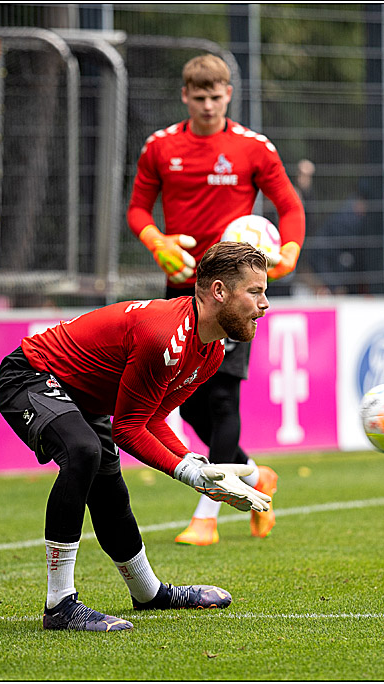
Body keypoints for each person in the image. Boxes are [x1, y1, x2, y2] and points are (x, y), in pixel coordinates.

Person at [0, 243, 274, 632]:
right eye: (255, 291)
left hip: (81, 398)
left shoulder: (209, 353)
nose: (265, 304)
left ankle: (149, 592)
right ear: (219, 292)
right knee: (83, 451)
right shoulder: (165, 335)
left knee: (109, 488)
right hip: (29, 377)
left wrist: (196, 463)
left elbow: (151, 417)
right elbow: (127, 428)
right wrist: (186, 472)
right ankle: (59, 605)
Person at [127, 54, 306, 546]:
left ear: (229, 94)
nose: (208, 105)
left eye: (216, 95)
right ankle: (253, 475)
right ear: (185, 96)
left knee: (224, 396)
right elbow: (139, 209)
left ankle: (207, 515)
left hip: (236, 291)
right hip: (183, 287)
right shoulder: (161, 147)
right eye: (199, 97)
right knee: (188, 407)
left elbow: (289, 206)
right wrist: (157, 242)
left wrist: (288, 250)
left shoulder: (253, 148)